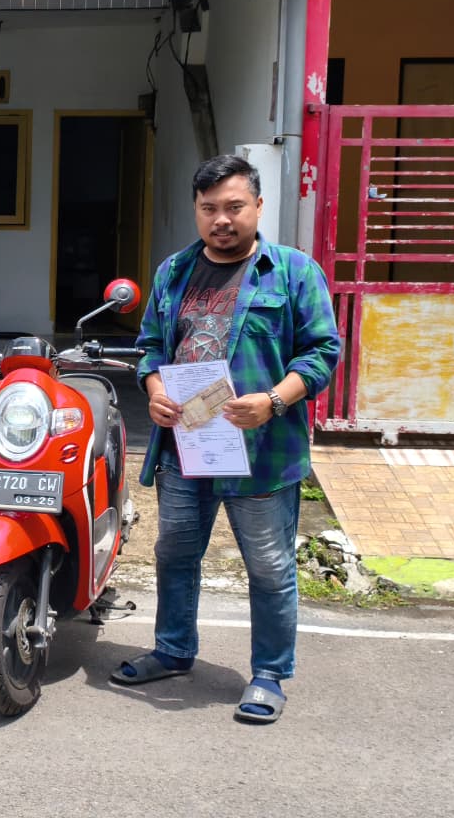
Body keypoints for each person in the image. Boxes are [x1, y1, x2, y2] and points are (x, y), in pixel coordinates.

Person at [110, 154, 341, 724]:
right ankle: (173, 650)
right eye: (209, 208)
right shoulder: (173, 272)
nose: (221, 219)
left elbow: (322, 351)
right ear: (196, 209)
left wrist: (274, 401)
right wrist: (155, 389)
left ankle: (269, 675)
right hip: (187, 447)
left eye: (234, 207)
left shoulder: (293, 272)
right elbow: (151, 346)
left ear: (258, 206)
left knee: (268, 567)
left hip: (262, 451)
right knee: (175, 553)